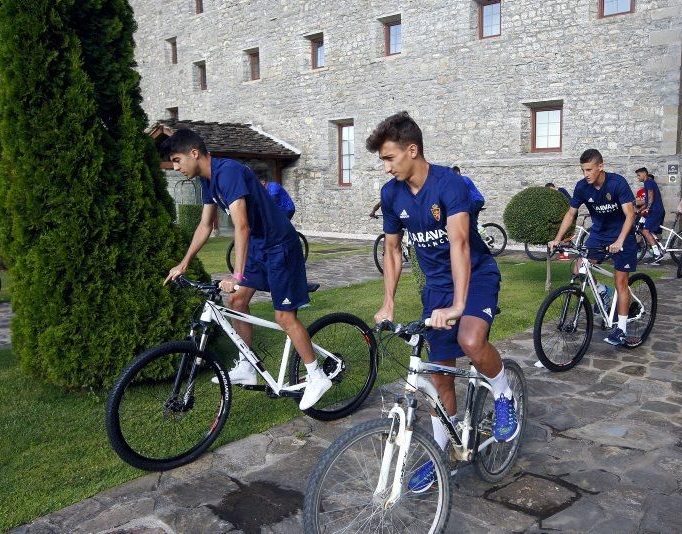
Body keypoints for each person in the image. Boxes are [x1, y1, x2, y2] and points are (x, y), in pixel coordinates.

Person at [368, 112, 518, 493]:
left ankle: (502, 392)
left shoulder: (450, 185)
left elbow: (460, 244)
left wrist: (458, 306)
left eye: (389, 158)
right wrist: (388, 303)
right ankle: (440, 454)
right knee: (439, 377)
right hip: (435, 287)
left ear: (412, 150)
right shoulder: (392, 194)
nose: (385, 167)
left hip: (476, 274)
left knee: (470, 340)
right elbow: (392, 250)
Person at [161, 129, 331, 410]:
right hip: (258, 248)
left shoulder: (229, 173)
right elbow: (205, 225)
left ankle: (317, 375)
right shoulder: (207, 181)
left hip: (280, 247)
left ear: (194, 153)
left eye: (177, 160)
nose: (176, 168)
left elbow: (242, 225)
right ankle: (247, 366)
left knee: (284, 317)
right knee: (237, 300)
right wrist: (184, 262)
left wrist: (237, 276)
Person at [549, 149, 637, 346]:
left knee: (621, 282)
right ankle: (601, 290)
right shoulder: (582, 187)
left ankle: (621, 329)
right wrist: (557, 238)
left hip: (622, 234)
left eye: (589, 169)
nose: (586, 174)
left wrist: (620, 241)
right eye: (583, 170)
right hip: (598, 234)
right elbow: (571, 214)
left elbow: (630, 215)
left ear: (600, 166)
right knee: (578, 267)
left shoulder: (617, 183)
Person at [636, 168, 666, 264]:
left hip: (655, 211)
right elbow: (647, 201)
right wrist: (640, 210)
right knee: (644, 229)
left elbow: (651, 197)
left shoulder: (648, 182)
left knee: (645, 230)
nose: (638, 177)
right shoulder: (647, 183)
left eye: (638, 175)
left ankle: (657, 254)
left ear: (644, 174)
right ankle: (658, 251)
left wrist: (647, 208)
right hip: (654, 211)